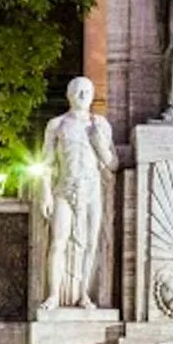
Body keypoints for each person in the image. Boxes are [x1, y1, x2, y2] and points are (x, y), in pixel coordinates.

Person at [38, 77, 118, 310]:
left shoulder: (100, 124)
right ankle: (53, 294)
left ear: (93, 96)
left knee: (92, 242)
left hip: (92, 188)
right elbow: (46, 163)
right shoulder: (57, 124)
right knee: (58, 242)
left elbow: (113, 163)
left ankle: (84, 293)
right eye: (78, 90)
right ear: (69, 94)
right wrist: (45, 193)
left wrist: (99, 143)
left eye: (87, 91)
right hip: (65, 186)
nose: (83, 95)